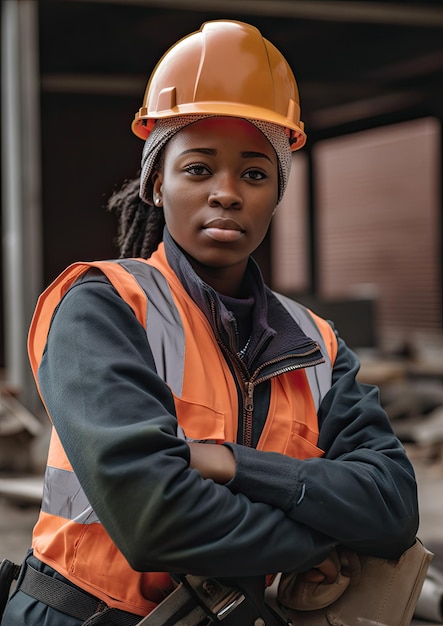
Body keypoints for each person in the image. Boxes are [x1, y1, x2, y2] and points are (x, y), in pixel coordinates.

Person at [2, 19, 418, 626]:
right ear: (156, 185)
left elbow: (391, 506)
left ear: (275, 193)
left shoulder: (318, 347)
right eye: (198, 169)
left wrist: (229, 462)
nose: (226, 192)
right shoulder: (103, 305)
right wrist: (319, 542)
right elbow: (153, 518)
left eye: (254, 173)